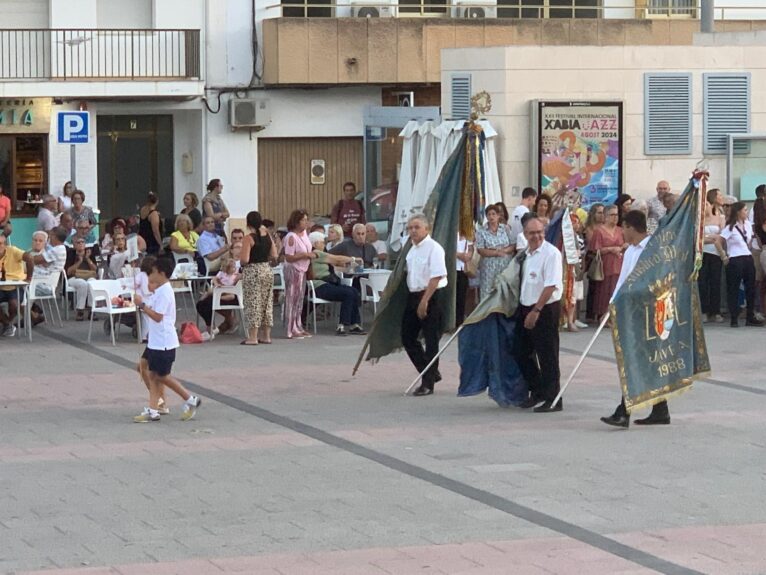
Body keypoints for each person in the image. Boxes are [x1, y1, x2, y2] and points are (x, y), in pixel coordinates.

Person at [600, 210, 670, 428]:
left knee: (638, 359)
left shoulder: (652, 249)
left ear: (631, 227)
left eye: (624, 228)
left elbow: (654, 281)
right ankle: (660, 409)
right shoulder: (630, 250)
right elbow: (624, 281)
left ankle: (624, 411)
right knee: (639, 360)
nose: (623, 232)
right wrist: (612, 304)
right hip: (630, 310)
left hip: (648, 312)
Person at [133, 257, 202, 423]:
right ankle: (154, 409)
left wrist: (142, 306)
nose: (150, 275)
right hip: (155, 341)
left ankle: (189, 399)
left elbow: (158, 316)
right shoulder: (160, 290)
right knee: (150, 372)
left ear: (161, 273)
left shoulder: (165, 292)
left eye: (153, 272)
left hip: (163, 342)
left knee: (161, 376)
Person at [514, 216, 563, 413]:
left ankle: (554, 398)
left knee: (548, 355)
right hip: (525, 305)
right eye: (532, 233)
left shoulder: (551, 253)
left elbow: (551, 285)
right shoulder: (525, 254)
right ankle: (537, 389)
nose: (537, 236)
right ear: (525, 235)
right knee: (519, 350)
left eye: (540, 232)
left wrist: (536, 310)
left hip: (544, 308)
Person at [402, 215, 447, 397]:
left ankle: (427, 384)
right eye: (410, 228)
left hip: (430, 295)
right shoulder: (411, 250)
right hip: (413, 294)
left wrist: (425, 301)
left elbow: (436, 276)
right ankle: (430, 371)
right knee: (407, 337)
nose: (413, 231)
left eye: (417, 227)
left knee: (430, 340)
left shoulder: (434, 248)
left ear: (426, 229)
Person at [307, 231, 366, 336]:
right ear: (315, 244)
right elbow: (335, 258)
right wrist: (353, 258)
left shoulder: (319, 253)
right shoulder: (316, 253)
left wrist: (345, 264)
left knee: (353, 291)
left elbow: (335, 262)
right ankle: (343, 325)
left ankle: (353, 324)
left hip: (327, 284)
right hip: (320, 286)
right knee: (348, 293)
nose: (324, 244)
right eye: (322, 242)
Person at [720, 201, 763, 328]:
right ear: (738, 212)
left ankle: (750, 316)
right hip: (735, 258)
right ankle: (734, 317)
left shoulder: (748, 225)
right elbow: (719, 240)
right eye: (744, 210)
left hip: (747, 257)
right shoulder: (730, 227)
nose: (746, 212)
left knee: (750, 287)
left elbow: (749, 240)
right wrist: (724, 255)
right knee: (733, 288)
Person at [239, 211, 277, 345]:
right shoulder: (268, 236)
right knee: (267, 303)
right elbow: (274, 254)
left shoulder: (248, 238)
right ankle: (266, 335)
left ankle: (253, 337)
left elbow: (244, 259)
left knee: (253, 303)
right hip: (266, 269)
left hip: (253, 271)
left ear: (248, 223)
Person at [283, 209, 315, 339]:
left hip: (303, 269)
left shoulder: (304, 235)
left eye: (307, 220)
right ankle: (291, 328)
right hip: (294, 269)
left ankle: (298, 325)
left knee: (300, 299)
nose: (306, 223)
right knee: (292, 298)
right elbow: (289, 257)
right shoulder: (291, 236)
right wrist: (304, 255)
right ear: (296, 222)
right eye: (303, 220)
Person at [588, 204, 624, 321]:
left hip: (619, 263)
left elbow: (627, 243)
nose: (615, 217)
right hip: (605, 264)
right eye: (612, 215)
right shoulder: (599, 231)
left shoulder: (620, 230)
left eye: (617, 215)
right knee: (604, 290)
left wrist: (622, 247)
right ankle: (603, 315)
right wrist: (610, 249)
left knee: (616, 288)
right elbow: (595, 249)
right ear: (606, 216)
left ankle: (614, 315)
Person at [698, 188, 726, 323]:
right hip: (703, 252)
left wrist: (710, 237)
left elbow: (721, 235)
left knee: (715, 282)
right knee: (703, 282)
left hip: (715, 252)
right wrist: (711, 238)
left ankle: (715, 311)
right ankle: (703, 310)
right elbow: (698, 236)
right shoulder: (701, 218)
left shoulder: (720, 216)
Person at [196, 256, 241, 337]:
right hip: (220, 291)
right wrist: (217, 283)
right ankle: (211, 327)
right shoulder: (223, 269)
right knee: (200, 304)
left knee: (208, 303)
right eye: (236, 247)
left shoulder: (240, 268)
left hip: (233, 294)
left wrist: (240, 277)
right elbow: (215, 278)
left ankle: (211, 329)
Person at [475, 204, 513, 301]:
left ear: (498, 215)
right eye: (489, 214)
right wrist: (496, 253)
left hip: (504, 265)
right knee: (488, 291)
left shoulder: (505, 228)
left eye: (493, 214)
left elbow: (513, 244)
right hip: (488, 267)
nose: (491, 217)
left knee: (503, 288)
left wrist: (504, 251)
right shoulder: (481, 231)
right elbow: (480, 249)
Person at [0, 233, 34, 336]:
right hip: (1, 287)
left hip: (15, 286)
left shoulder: (12, 251)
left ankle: (8, 322)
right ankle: (7, 324)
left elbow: (29, 258)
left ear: (5, 245)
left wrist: (29, 278)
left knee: (14, 304)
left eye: (0, 243)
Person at [65, 237, 98, 321]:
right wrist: (79, 261)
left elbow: (95, 270)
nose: (80, 244)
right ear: (74, 245)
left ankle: (92, 310)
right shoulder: (70, 254)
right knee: (82, 283)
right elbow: (68, 272)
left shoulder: (89, 253)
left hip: (89, 276)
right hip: (74, 278)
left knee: (92, 283)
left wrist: (87, 258)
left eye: (82, 242)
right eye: (78, 242)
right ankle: (80, 310)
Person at [455, 233, 474, 327]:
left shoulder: (467, 232)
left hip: (463, 269)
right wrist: (458, 255)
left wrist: (468, 256)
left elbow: (470, 248)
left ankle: (459, 322)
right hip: (452, 268)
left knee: (461, 296)